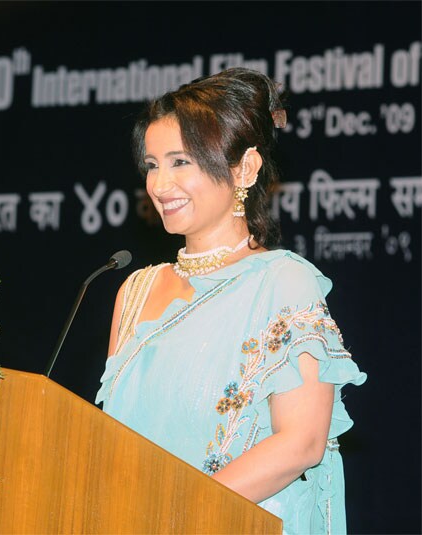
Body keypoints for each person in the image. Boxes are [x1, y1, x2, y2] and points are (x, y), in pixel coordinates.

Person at [96, 68, 366, 535]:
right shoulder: (134, 291)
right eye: (152, 165)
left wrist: (176, 515)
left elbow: (302, 442)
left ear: (244, 169)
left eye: (181, 161)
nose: (160, 185)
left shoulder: (284, 282)